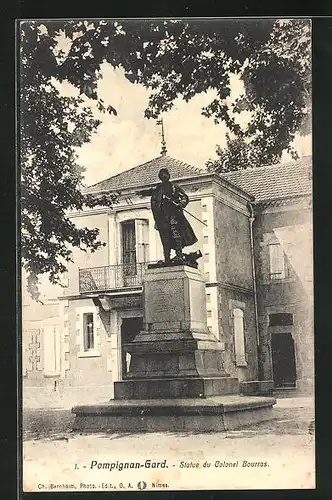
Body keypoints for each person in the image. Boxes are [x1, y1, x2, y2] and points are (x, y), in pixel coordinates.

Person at [137, 168, 198, 264]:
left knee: (176, 234)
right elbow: (150, 192)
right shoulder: (158, 189)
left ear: (168, 176)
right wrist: (142, 193)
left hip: (173, 215)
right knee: (165, 238)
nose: (163, 177)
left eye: (165, 174)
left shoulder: (174, 187)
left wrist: (181, 204)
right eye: (161, 175)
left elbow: (184, 197)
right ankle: (167, 258)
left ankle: (179, 256)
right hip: (162, 217)